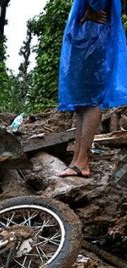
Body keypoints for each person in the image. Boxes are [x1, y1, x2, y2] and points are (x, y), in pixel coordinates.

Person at [58, 0, 127, 178]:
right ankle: (77, 159)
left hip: (93, 39)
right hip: (87, 38)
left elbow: (97, 5)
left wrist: (89, 12)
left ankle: (82, 161)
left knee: (90, 101)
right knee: (82, 104)